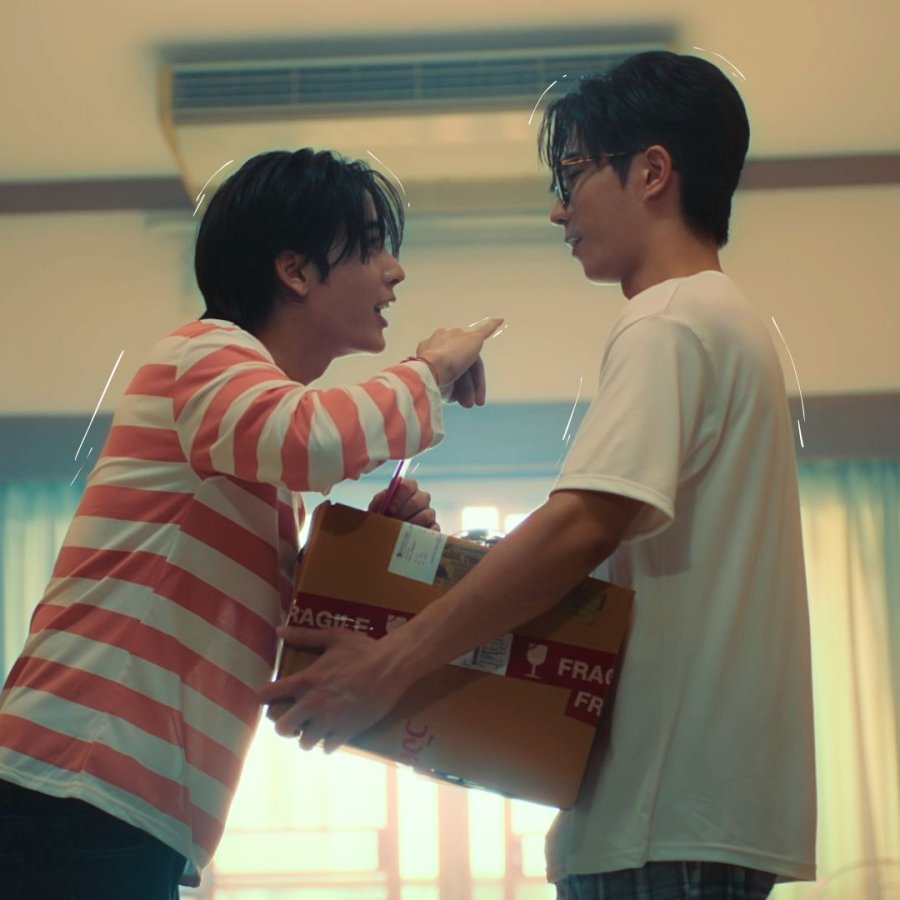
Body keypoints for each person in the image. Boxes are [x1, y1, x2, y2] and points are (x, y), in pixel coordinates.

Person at [261, 52, 817, 899]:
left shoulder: (669, 320)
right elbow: (603, 562)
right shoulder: (723, 320)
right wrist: (433, 566)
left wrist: (385, 667)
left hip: (660, 815)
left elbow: (580, 528)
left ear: (652, 173)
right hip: (693, 812)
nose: (559, 208)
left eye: (573, 173)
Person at [0, 147, 502, 899]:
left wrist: (374, 542)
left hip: (119, 801)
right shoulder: (205, 354)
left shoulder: (252, 455)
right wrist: (429, 369)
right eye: (371, 247)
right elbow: (310, 440)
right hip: (77, 781)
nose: (394, 272)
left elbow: (273, 617)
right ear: (295, 271)